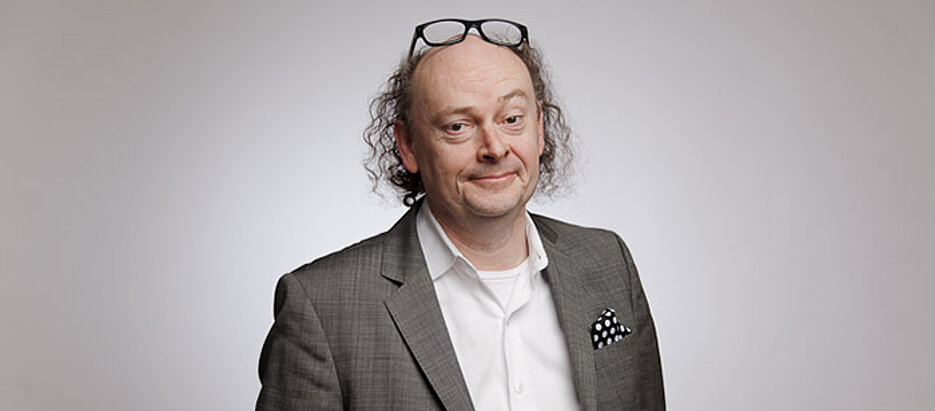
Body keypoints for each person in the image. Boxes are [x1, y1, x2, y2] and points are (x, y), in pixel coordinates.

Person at [257, 18, 664, 410]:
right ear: (408, 145)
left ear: (539, 128)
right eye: (457, 126)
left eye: (512, 119)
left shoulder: (608, 262)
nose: (495, 148)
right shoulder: (323, 306)